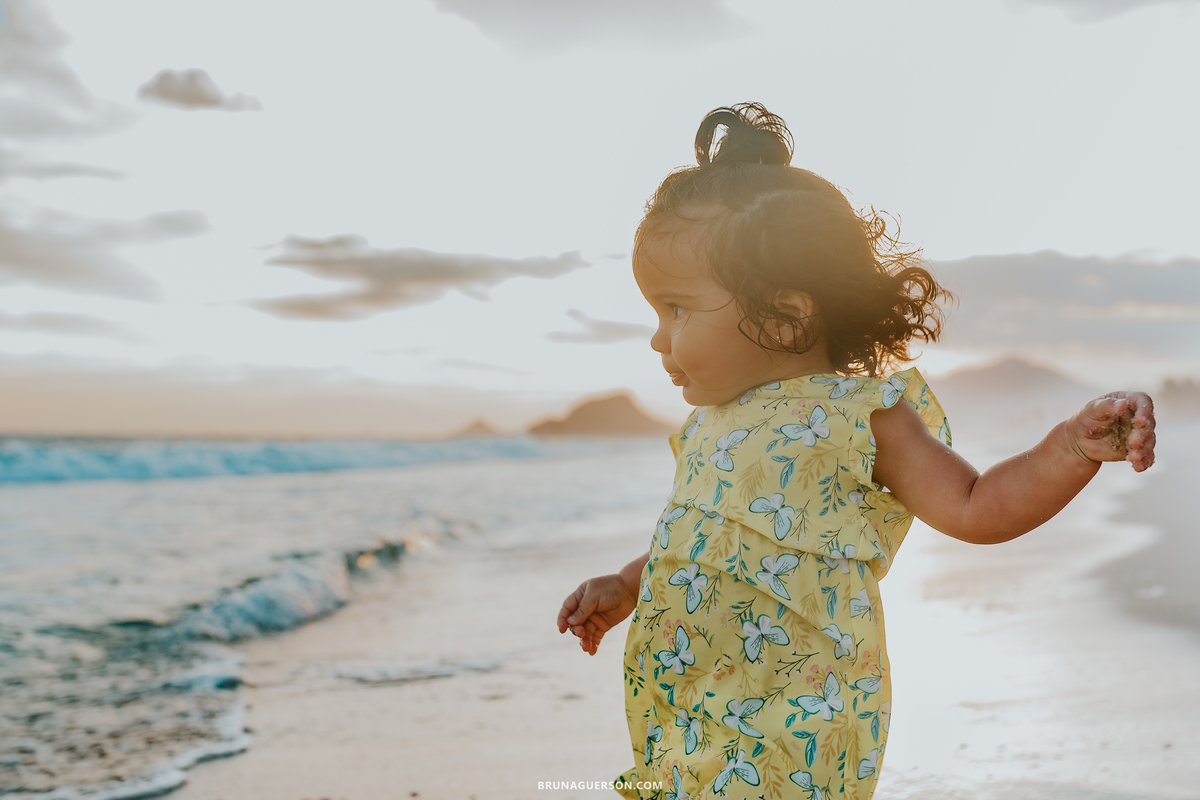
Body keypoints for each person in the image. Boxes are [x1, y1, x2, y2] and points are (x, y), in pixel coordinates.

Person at [555, 102, 1156, 800]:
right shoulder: (710, 424)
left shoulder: (859, 418)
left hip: (795, 720)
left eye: (678, 308)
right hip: (694, 713)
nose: (659, 338)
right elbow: (701, 535)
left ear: (787, 316)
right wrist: (629, 583)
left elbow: (977, 506)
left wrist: (1069, 448)